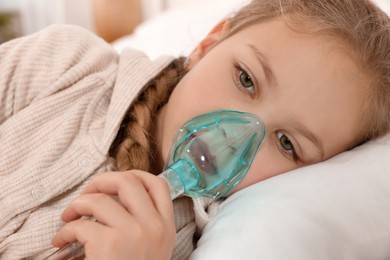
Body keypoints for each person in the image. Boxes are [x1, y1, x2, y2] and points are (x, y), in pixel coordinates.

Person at [0, 0, 389, 259]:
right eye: (246, 79)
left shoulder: (189, 248)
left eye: (287, 143)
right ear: (209, 42)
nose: (233, 137)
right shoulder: (66, 66)